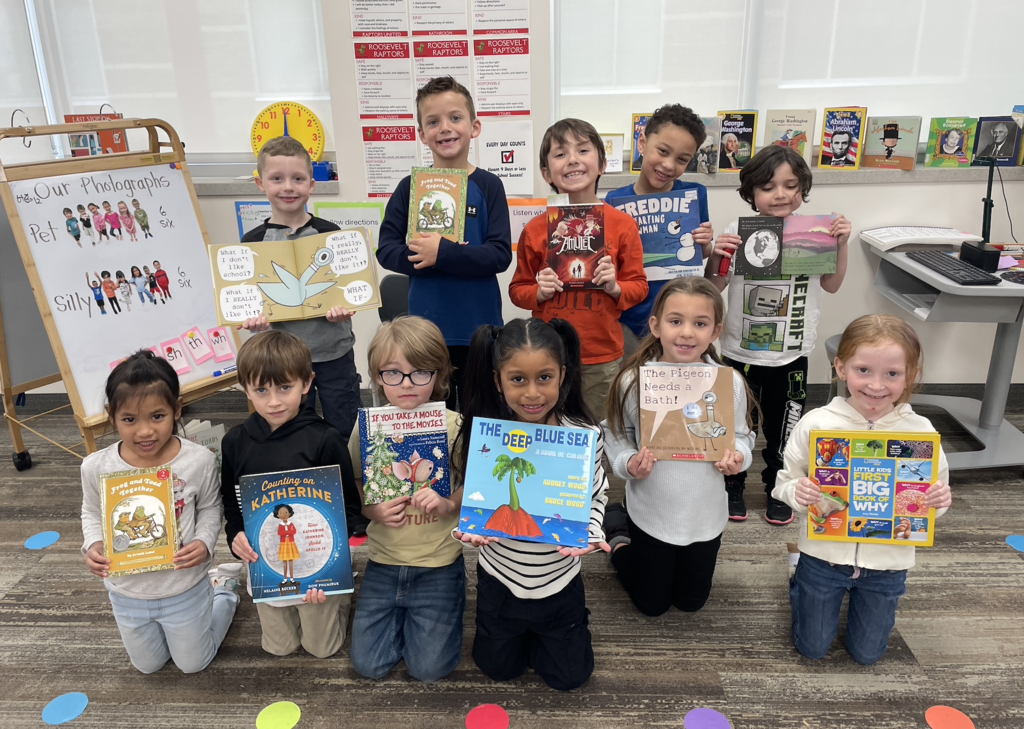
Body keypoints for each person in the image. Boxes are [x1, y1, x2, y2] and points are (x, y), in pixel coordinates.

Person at [774, 314, 951, 664]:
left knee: (868, 654)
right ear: (840, 367)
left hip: (887, 565)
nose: (876, 385)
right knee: (812, 648)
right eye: (863, 370)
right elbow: (785, 483)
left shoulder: (920, 431)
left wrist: (938, 501)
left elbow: (932, 498)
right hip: (824, 557)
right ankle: (801, 580)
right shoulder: (817, 424)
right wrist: (799, 492)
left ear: (911, 375)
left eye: (892, 374)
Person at [453, 317, 609, 691]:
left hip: (559, 580)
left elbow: (598, 494)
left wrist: (590, 530)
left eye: (545, 377)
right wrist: (464, 532)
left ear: (563, 375)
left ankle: (554, 636)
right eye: (517, 379)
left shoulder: (585, 436)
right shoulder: (486, 437)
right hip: (500, 581)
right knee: (498, 669)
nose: (532, 393)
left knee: (571, 677)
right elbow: (469, 502)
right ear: (498, 380)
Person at [706, 145, 852, 524]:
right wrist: (716, 254)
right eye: (769, 187)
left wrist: (841, 245)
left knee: (785, 431)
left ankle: (778, 488)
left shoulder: (817, 233)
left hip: (792, 356)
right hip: (740, 355)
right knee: (736, 427)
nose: (781, 194)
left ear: (803, 188)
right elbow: (712, 287)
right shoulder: (736, 232)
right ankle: (732, 487)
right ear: (751, 193)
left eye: (791, 185)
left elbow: (834, 285)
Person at [603, 277, 755, 616]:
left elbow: (744, 436)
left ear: (715, 332)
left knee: (691, 603)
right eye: (676, 321)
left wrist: (739, 458)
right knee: (652, 605)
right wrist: (628, 462)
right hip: (651, 513)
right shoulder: (635, 380)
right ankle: (618, 537)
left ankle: (625, 530)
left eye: (699, 324)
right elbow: (615, 433)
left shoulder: (728, 382)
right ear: (656, 326)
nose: (686, 333)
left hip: (704, 517)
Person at [81, 351, 240, 673]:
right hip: (126, 591)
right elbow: (91, 511)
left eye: (157, 416)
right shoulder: (96, 466)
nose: (145, 432)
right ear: (111, 415)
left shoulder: (198, 460)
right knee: (148, 666)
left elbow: (211, 507)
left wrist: (205, 542)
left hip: (184, 585)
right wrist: (93, 544)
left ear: (176, 409)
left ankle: (223, 590)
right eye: (129, 419)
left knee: (193, 664)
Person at [220, 330, 360, 658]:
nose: (274, 401)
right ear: (244, 388)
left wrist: (332, 570)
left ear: (307, 384)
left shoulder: (325, 439)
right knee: (279, 648)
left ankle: (344, 593)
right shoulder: (235, 442)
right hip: (265, 569)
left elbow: (350, 507)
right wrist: (234, 535)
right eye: (261, 389)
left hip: (317, 571)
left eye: (285, 387)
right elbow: (231, 500)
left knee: (322, 649)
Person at [376, 76, 513, 411]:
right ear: (422, 134)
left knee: (479, 414)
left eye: (455, 118)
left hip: (479, 329)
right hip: (425, 331)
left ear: (474, 126)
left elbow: (500, 254)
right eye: (433, 122)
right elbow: (385, 249)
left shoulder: (489, 185)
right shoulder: (410, 187)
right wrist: (424, 254)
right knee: (432, 418)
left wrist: (445, 253)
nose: (445, 128)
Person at [348, 316, 466, 683]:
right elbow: (356, 478)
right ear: (378, 376)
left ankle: (436, 614)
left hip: (439, 561)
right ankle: (406, 619)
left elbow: (471, 485)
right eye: (393, 373)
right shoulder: (367, 425)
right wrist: (372, 508)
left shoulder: (455, 424)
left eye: (420, 372)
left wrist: (448, 505)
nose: (407, 384)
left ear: (440, 374)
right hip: (384, 559)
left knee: (430, 669)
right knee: (368, 666)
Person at [509, 118, 647, 420]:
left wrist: (615, 286)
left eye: (583, 150)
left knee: (599, 429)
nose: (572, 159)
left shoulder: (623, 225)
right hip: (548, 356)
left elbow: (639, 286)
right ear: (547, 173)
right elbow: (517, 290)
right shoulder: (535, 229)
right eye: (560, 154)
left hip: (602, 354)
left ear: (602, 164)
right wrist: (539, 292)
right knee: (551, 429)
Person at [238, 136, 364, 461]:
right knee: (290, 430)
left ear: (312, 184)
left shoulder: (331, 234)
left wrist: (343, 310)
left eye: (297, 178)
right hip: (283, 360)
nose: (288, 187)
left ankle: (353, 485)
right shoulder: (252, 242)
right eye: (276, 178)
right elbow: (249, 299)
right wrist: (254, 322)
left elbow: (348, 289)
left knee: (345, 424)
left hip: (333, 351)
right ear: (260, 183)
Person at [606, 104, 715, 354]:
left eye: (682, 160)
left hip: (680, 321)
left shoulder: (695, 195)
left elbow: (700, 254)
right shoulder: (613, 201)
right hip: (630, 318)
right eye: (663, 151)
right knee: (631, 386)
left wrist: (706, 242)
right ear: (642, 143)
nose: (668, 165)